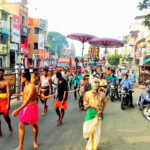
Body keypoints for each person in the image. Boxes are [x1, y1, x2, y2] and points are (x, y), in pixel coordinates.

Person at [12, 69, 39, 150]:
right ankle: (20, 146)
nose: (20, 78)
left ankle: (35, 141)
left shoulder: (31, 87)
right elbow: (27, 96)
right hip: (25, 107)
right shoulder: (26, 86)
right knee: (21, 125)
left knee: (34, 124)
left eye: (21, 77)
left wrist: (17, 110)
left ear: (25, 78)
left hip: (31, 107)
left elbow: (27, 101)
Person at [83, 78, 107, 150]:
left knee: (96, 132)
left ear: (99, 87)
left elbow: (105, 102)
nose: (95, 90)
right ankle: (91, 143)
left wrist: (101, 110)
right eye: (94, 88)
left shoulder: (102, 94)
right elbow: (85, 106)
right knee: (86, 130)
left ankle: (92, 146)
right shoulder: (87, 94)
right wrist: (88, 106)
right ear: (92, 86)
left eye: (97, 88)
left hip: (98, 115)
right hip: (90, 114)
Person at [0, 69, 13, 136]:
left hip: (4, 100)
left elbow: (8, 93)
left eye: (1, 73)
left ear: (3, 74)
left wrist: (8, 104)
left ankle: (9, 125)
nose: (0, 74)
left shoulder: (6, 82)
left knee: (6, 116)